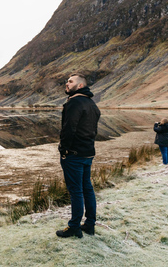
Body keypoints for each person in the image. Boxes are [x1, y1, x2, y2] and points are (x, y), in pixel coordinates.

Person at [56, 73, 101, 238]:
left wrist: (64, 149)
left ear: (80, 85)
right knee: (87, 188)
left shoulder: (74, 102)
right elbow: (92, 130)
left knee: (76, 191)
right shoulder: (92, 104)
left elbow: (69, 129)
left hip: (74, 155)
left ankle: (74, 227)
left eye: (70, 81)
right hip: (88, 153)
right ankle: (89, 224)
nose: (66, 84)